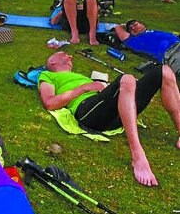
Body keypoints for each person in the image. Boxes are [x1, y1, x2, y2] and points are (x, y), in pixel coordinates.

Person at [38, 51, 180, 187]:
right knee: (127, 78)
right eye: (64, 54)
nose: (70, 56)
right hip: (88, 112)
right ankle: (138, 156)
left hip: (113, 111)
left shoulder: (79, 76)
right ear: (52, 61)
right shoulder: (47, 75)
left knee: (164, 71)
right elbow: (50, 103)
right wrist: (84, 88)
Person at [114, 20, 180, 75]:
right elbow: (118, 28)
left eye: (134, 24)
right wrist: (123, 25)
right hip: (171, 53)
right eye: (131, 29)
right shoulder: (134, 40)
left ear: (142, 24)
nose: (133, 28)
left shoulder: (153, 32)